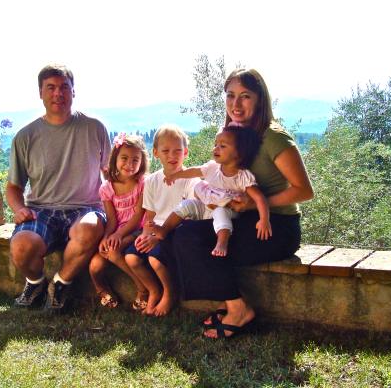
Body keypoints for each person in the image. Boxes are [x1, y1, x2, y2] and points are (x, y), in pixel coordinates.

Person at [164, 68, 313, 338]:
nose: (236, 104)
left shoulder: (274, 138)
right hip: (242, 219)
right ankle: (231, 300)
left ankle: (237, 309)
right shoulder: (232, 134)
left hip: (276, 227)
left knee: (201, 244)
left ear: (260, 100)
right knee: (184, 234)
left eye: (245, 96)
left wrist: (255, 205)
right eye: (230, 96)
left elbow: (304, 191)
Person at [7, 64, 111, 315]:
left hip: (86, 208)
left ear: (74, 92)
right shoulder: (26, 136)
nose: (58, 93)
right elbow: (13, 187)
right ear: (40, 93)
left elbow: (111, 175)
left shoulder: (95, 128)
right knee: (21, 246)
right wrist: (19, 209)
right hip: (42, 211)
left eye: (64, 87)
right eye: (51, 88)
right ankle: (35, 284)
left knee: (89, 228)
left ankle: (61, 284)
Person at [151, 125, 271, 258]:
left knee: (220, 212)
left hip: (228, 209)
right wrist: (175, 176)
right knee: (187, 204)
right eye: (216, 144)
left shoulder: (242, 176)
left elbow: (260, 198)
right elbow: (194, 171)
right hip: (208, 206)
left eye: (222, 146)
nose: (216, 148)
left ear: (239, 153)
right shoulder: (212, 167)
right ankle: (164, 229)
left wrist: (264, 220)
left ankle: (222, 242)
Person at [125, 125, 199, 316]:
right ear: (156, 153)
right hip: (154, 230)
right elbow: (150, 215)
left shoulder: (191, 181)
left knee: (155, 259)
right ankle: (153, 289)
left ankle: (169, 292)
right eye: (165, 151)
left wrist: (158, 237)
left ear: (186, 152)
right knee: (131, 258)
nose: (171, 156)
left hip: (177, 231)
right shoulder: (152, 181)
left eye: (177, 151)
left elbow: (188, 215)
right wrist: (145, 235)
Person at [88, 133, 149, 311]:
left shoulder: (142, 184)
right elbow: (112, 219)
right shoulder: (107, 188)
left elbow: (138, 217)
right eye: (124, 158)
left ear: (142, 162)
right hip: (118, 231)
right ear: (115, 158)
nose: (129, 164)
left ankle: (142, 289)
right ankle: (101, 289)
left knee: (113, 253)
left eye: (135, 160)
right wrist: (106, 237)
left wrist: (118, 235)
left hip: (137, 229)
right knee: (95, 265)